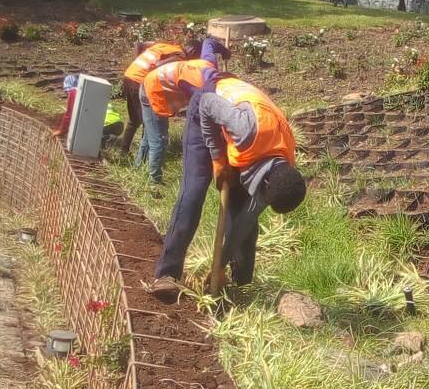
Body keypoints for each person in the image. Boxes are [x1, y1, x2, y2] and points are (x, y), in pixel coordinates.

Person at [150, 70, 306, 302]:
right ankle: (167, 274)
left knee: (242, 211)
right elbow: (207, 103)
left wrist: (219, 265)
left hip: (241, 135)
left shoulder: (283, 174)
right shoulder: (246, 129)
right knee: (193, 192)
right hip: (209, 108)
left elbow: (246, 219)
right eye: (263, 196)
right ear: (265, 182)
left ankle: (240, 284)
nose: (261, 201)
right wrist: (218, 158)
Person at [135, 37, 229, 187]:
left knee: (150, 134)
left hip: (154, 84)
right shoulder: (200, 88)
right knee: (159, 139)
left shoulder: (209, 63)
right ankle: (154, 182)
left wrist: (224, 51)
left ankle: (138, 166)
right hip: (152, 91)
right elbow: (199, 112)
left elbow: (208, 42)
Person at [120, 39, 184, 154]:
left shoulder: (162, 46)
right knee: (148, 122)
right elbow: (160, 65)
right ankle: (144, 156)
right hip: (139, 81)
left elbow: (139, 44)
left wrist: (138, 64)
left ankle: (124, 151)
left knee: (134, 120)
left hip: (129, 76)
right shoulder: (179, 54)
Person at [52, 75, 123, 148]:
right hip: (119, 124)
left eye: (66, 92)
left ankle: (108, 139)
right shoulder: (89, 91)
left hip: (106, 124)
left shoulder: (73, 92)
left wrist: (61, 131)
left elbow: (69, 115)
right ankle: (110, 140)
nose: (67, 94)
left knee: (84, 137)